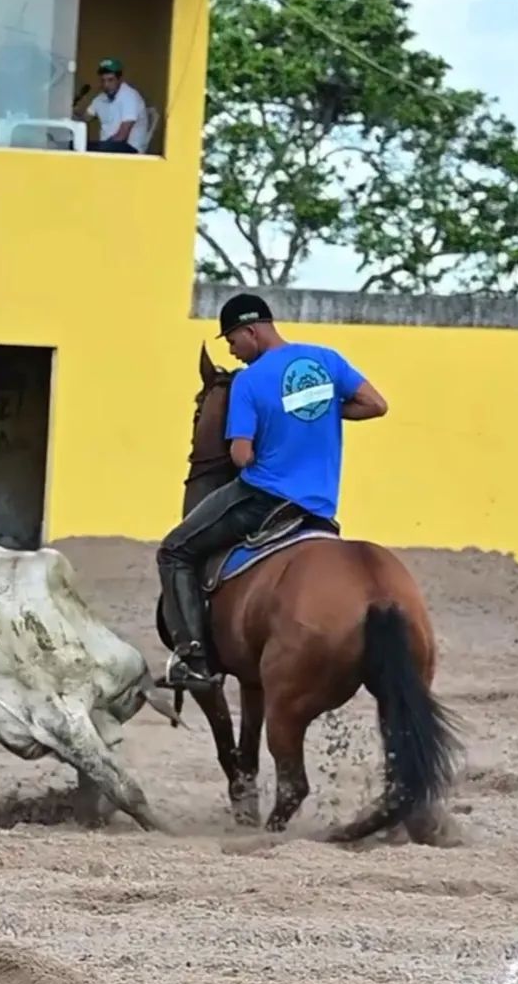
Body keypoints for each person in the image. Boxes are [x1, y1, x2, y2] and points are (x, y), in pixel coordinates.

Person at [157, 292, 388, 689]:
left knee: (173, 550)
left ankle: (193, 659)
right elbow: (375, 404)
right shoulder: (326, 360)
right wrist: (324, 413)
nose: (233, 351)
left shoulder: (249, 381)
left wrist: (256, 437)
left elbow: (242, 456)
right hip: (319, 506)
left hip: (263, 499)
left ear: (251, 331)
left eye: (232, 340)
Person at [77, 57, 149, 154]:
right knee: (74, 145)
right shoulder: (100, 98)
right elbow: (84, 118)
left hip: (130, 148)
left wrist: (99, 151)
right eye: (103, 80)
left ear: (120, 79)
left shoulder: (129, 96)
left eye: (110, 80)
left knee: (86, 149)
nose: (106, 85)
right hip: (108, 146)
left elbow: (122, 135)